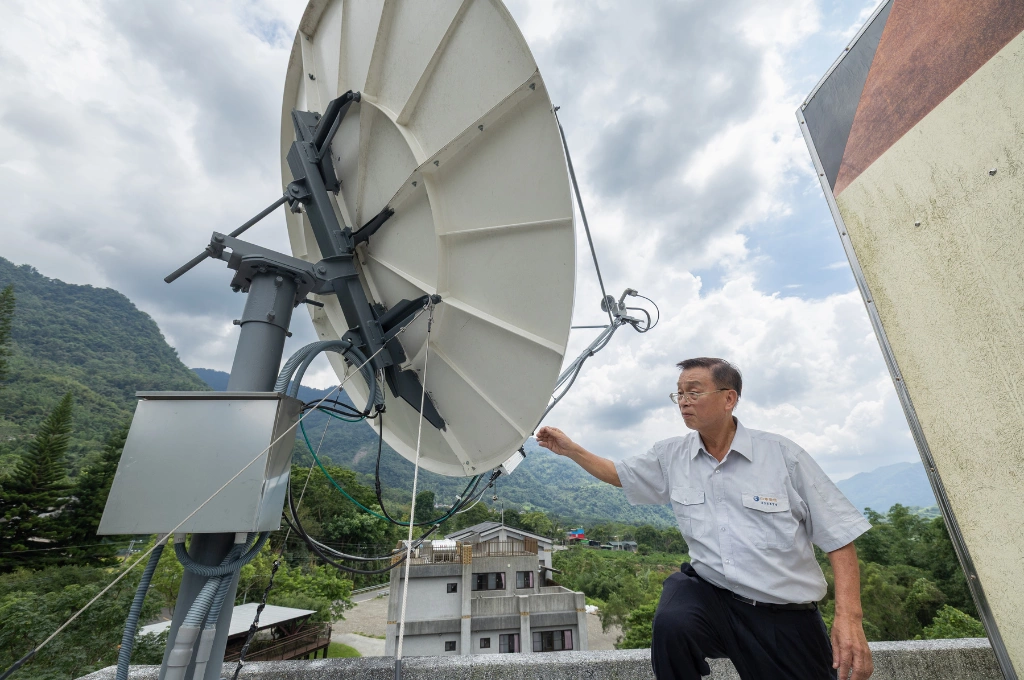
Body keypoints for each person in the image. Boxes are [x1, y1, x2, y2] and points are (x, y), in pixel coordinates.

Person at [537, 357, 873, 680]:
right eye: (679, 393)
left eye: (694, 391)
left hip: (783, 614)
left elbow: (839, 535)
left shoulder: (783, 455)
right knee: (673, 616)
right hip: (713, 598)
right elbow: (619, 474)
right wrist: (571, 449)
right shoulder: (671, 455)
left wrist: (849, 617)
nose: (684, 401)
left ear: (729, 399)